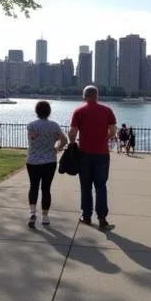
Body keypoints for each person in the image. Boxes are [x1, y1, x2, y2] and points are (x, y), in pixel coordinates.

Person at [68, 85, 118, 230]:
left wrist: (72, 144)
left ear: (84, 96)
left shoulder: (79, 111)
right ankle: (102, 218)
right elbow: (113, 131)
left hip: (84, 154)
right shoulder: (107, 110)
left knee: (85, 186)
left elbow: (72, 132)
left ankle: (86, 216)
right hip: (102, 154)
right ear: (97, 96)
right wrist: (104, 138)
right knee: (101, 186)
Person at [26, 100, 66, 228]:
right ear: (49, 112)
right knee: (46, 189)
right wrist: (58, 148)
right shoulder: (54, 126)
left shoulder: (31, 125)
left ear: (36, 111)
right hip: (49, 161)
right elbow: (64, 140)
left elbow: (32, 138)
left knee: (33, 186)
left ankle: (32, 212)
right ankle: (45, 216)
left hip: (32, 161)